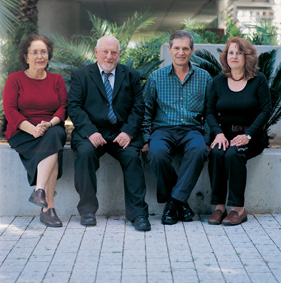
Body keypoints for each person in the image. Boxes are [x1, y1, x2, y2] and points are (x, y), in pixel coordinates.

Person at [68, 35, 150, 231]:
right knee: (85, 154)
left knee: (131, 157)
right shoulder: (81, 75)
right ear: (96, 52)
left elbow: (139, 107)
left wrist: (129, 132)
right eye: (105, 51)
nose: (109, 56)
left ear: (119, 54)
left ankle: (138, 214)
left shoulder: (131, 75)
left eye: (113, 52)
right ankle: (87, 211)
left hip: (121, 133)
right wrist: (90, 132)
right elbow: (74, 106)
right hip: (92, 132)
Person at [142, 30, 212, 225]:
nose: (181, 52)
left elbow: (210, 112)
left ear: (192, 51)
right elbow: (146, 111)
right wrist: (146, 138)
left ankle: (173, 203)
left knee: (198, 150)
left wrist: (207, 140)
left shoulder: (204, 77)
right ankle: (180, 203)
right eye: (177, 48)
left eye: (185, 48)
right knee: (156, 154)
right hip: (163, 130)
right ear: (169, 49)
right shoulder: (156, 78)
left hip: (192, 130)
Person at [3, 34, 68, 227]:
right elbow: (10, 111)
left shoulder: (57, 80)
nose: (40, 56)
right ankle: (49, 208)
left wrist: (48, 124)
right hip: (22, 131)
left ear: (48, 56)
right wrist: (32, 129)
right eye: (35, 52)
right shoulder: (15, 79)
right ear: (26, 57)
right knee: (53, 149)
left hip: (49, 127)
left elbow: (63, 108)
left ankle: (39, 191)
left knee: (55, 135)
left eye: (44, 52)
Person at [207, 37, 271, 226]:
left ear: (247, 56)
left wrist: (248, 135)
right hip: (225, 135)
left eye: (239, 52)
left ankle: (238, 209)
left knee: (233, 154)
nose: (234, 56)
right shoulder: (218, 81)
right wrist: (218, 133)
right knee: (218, 153)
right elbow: (209, 111)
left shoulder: (258, 80)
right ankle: (219, 207)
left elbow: (265, 110)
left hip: (251, 136)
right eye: (231, 52)